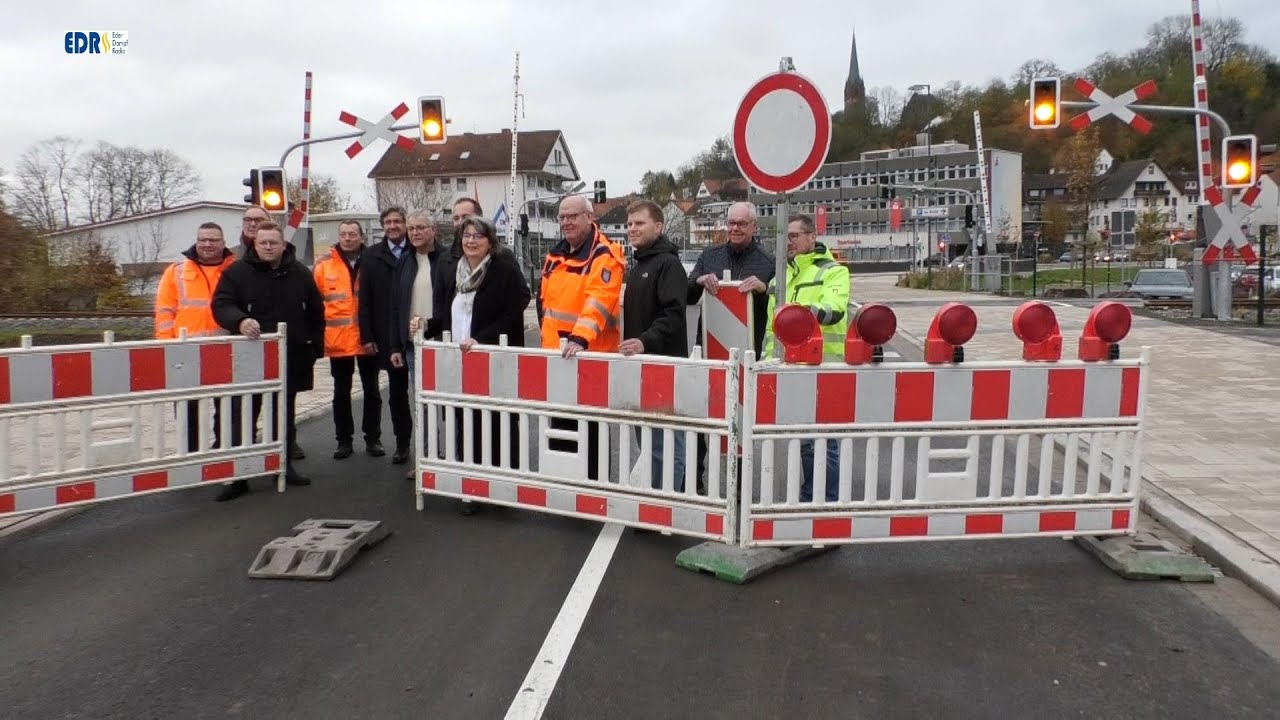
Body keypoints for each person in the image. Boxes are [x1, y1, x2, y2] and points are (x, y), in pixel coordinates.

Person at [211, 221, 325, 501]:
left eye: (274, 242)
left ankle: (282, 468)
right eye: (263, 243)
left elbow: (315, 311)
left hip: (290, 356)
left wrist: (314, 348)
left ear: (283, 244)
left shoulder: (299, 273)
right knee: (242, 416)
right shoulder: (237, 272)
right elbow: (221, 304)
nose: (269, 247)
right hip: (249, 358)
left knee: (283, 415)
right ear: (254, 244)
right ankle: (240, 476)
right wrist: (240, 321)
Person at [686, 201, 775, 489]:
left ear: (754, 227)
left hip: (747, 353)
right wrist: (699, 280)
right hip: (709, 351)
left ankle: (738, 485)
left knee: (740, 418)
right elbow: (686, 295)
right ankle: (696, 480)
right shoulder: (710, 256)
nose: (734, 228)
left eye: (741, 224)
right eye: (731, 223)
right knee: (702, 414)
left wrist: (763, 290)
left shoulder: (767, 262)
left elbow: (778, 304)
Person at [762, 214, 850, 503]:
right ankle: (807, 502)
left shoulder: (834, 272)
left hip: (823, 366)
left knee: (822, 443)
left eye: (795, 235)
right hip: (786, 367)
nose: (790, 242)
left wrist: (797, 314)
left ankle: (821, 505)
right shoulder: (781, 276)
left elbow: (833, 309)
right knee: (801, 441)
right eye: (786, 236)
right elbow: (769, 327)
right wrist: (766, 363)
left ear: (812, 237)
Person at [436, 215, 530, 484]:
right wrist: (428, 326)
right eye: (466, 235)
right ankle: (472, 481)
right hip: (461, 360)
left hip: (496, 357)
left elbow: (515, 308)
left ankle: (503, 481)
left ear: (490, 241)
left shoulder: (503, 269)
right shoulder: (457, 271)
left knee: (499, 420)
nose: (471, 240)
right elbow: (449, 311)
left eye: (478, 236)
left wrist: (482, 338)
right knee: (466, 420)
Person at [539, 195, 625, 481]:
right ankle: (566, 485)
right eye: (562, 217)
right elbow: (546, 303)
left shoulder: (604, 255)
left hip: (589, 356)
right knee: (561, 426)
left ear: (590, 218)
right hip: (557, 355)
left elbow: (598, 303)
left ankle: (593, 488)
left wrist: (580, 340)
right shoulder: (556, 253)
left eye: (573, 216)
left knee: (591, 429)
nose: (566, 222)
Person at [618, 200, 689, 491]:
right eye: (629, 224)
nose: (632, 229)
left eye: (639, 223)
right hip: (641, 366)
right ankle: (655, 496)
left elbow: (673, 313)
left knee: (666, 440)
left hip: (663, 366)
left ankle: (666, 502)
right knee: (647, 439)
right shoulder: (641, 263)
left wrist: (645, 342)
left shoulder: (667, 264)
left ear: (658, 227)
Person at [154, 221, 236, 452]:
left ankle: (223, 452)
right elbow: (164, 311)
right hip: (186, 352)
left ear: (223, 243)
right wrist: (166, 347)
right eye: (203, 240)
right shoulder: (177, 271)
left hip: (225, 350)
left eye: (213, 240)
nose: (208, 244)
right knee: (188, 409)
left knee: (227, 408)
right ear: (196, 241)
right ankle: (191, 455)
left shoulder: (235, 269)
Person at [313, 220, 381, 461]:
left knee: (372, 391)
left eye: (353, 234)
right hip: (338, 340)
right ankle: (344, 441)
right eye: (343, 234)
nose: (348, 238)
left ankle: (373, 439)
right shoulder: (324, 267)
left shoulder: (373, 262)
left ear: (362, 237)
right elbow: (314, 304)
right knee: (341, 392)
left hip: (367, 339)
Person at [357, 206, 413, 464]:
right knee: (396, 394)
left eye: (397, 222)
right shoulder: (370, 257)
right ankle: (402, 445)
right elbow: (364, 300)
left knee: (421, 393)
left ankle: (424, 444)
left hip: (411, 333)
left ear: (405, 224)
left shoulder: (417, 252)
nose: (392, 226)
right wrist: (366, 336)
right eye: (388, 222)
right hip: (383, 336)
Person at [391, 210, 441, 374]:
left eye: (420, 227)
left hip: (442, 341)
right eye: (411, 228)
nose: (415, 232)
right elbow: (396, 306)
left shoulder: (447, 260)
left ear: (433, 230)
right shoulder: (404, 261)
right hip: (414, 344)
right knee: (419, 396)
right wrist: (396, 346)